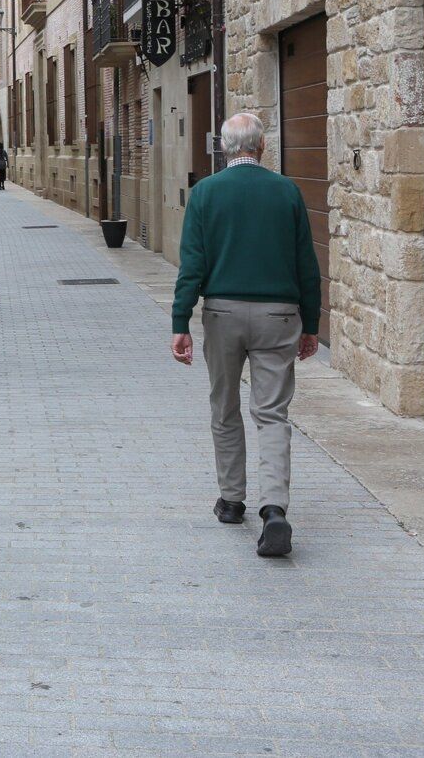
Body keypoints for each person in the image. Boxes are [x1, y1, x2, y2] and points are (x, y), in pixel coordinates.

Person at [170, 112, 321, 558]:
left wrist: (181, 322)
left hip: (223, 313)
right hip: (279, 315)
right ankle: (274, 508)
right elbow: (306, 266)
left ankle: (231, 499)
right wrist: (310, 324)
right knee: (272, 413)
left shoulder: (205, 194)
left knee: (225, 406)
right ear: (262, 147)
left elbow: (191, 265)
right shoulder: (286, 192)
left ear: (224, 148)